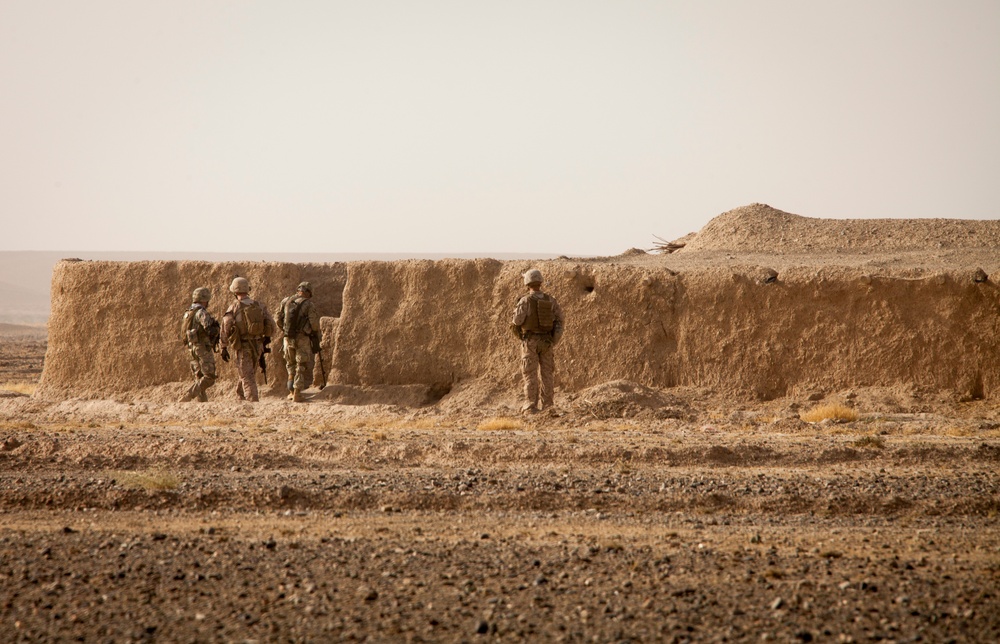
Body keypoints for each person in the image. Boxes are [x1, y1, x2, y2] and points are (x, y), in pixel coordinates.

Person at [511, 268, 564, 414]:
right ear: (540, 282)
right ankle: (548, 406)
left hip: (531, 341)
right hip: (547, 341)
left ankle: (530, 406)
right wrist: (554, 340)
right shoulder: (550, 300)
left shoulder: (525, 301)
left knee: (530, 374)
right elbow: (560, 320)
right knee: (547, 373)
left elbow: (517, 321)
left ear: (527, 283)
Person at [220, 276, 277, 402]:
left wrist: (223, 347)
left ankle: (252, 402)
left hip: (243, 346)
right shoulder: (259, 305)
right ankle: (240, 396)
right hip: (258, 345)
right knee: (247, 373)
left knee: (247, 376)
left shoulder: (234, 307)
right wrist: (266, 338)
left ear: (234, 291)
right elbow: (272, 326)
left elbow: (225, 328)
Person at [275, 281, 321, 402]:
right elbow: (315, 325)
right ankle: (297, 392)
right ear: (308, 292)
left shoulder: (286, 301)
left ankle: (290, 391)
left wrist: (285, 330)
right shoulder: (309, 304)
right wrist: (311, 331)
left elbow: (278, 319)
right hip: (302, 338)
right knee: (301, 365)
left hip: (287, 338)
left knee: (290, 363)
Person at [179, 287, 220, 402]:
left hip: (192, 348)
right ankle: (188, 395)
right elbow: (209, 329)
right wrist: (217, 329)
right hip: (202, 348)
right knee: (209, 377)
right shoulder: (201, 312)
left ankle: (202, 403)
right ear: (204, 299)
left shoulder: (188, 313)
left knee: (199, 377)